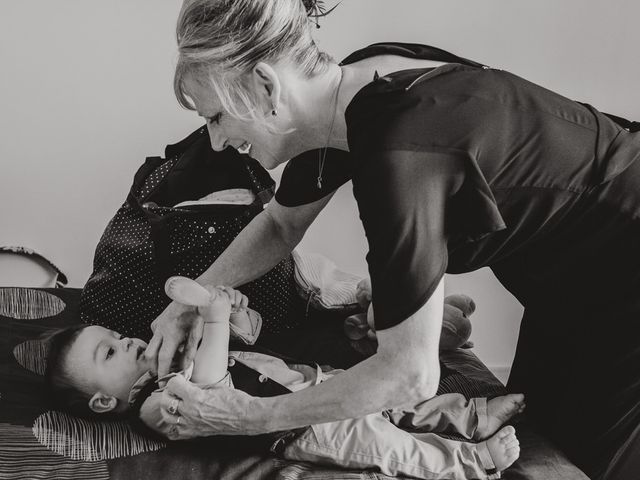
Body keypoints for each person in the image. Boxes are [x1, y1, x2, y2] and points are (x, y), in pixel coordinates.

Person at [144, 1, 640, 478]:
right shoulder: (356, 86)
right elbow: (280, 224)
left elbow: (408, 373)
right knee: (541, 435)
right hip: (570, 283)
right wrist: (195, 296)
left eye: (214, 117)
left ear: (265, 86)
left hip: (622, 269)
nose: (214, 141)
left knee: (591, 458)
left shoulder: (400, 156)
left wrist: (245, 416)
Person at [45, 278, 525, 479]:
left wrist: (231, 314)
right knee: (385, 442)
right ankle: (469, 461)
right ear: (104, 402)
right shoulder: (155, 406)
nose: (125, 341)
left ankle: (472, 416)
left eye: (114, 334)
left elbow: (245, 346)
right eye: (109, 352)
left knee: (393, 401)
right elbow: (211, 388)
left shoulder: (169, 353)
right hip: (305, 429)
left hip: (311, 382)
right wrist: (211, 323)